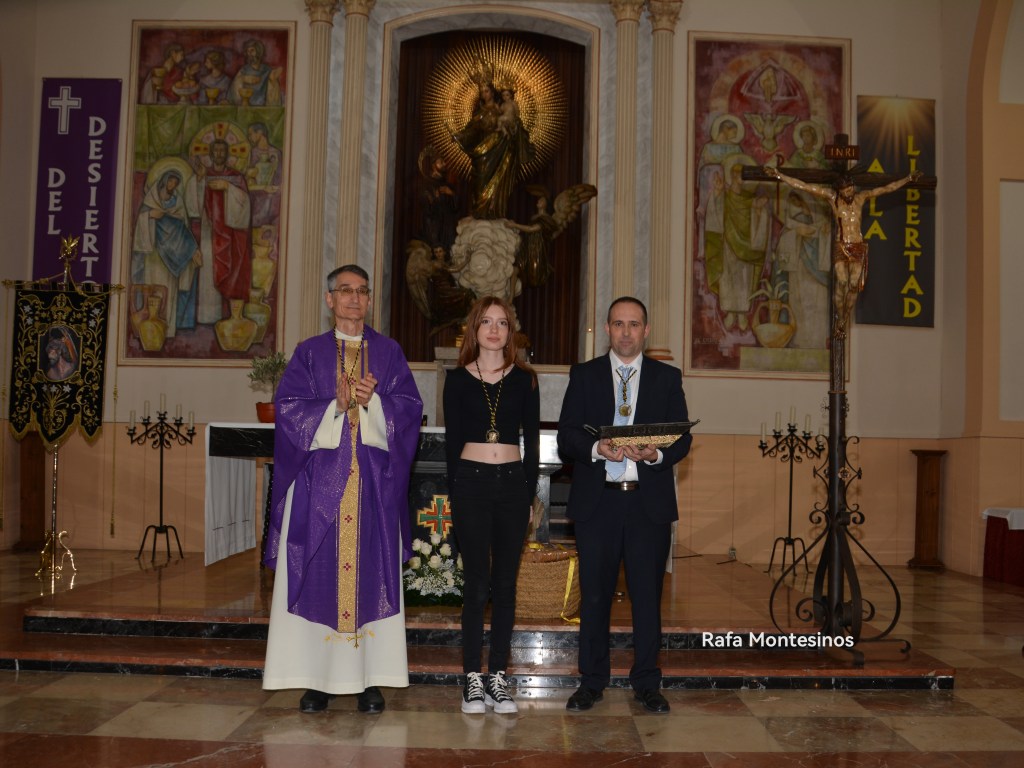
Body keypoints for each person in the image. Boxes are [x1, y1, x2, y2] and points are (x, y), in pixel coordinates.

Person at [262, 264, 423, 714]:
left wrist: (376, 404)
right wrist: (333, 405)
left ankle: (369, 679)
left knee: (371, 575)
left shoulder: (388, 352)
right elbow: (288, 409)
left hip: (373, 487)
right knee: (317, 573)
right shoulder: (309, 353)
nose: (355, 298)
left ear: (369, 299)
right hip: (318, 487)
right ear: (330, 299)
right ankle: (317, 681)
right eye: (346, 290)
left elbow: (410, 410)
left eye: (362, 291)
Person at [557, 297, 693, 714]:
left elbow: (683, 438)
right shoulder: (585, 375)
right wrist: (596, 448)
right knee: (594, 598)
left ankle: (647, 682)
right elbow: (567, 436)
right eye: (619, 324)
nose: (627, 332)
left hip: (646, 506)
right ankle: (591, 681)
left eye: (634, 324)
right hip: (598, 504)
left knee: (648, 599)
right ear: (607, 329)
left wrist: (655, 454)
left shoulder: (667, 378)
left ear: (646, 330)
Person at [442, 296, 539, 715]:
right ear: (474, 329)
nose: (494, 329)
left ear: (510, 331)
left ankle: (498, 676)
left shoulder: (526, 380)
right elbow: (452, 445)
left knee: (505, 585)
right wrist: (456, 495)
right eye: (486, 322)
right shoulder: (457, 379)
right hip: (472, 485)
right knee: (477, 585)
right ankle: (471, 680)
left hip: (512, 487)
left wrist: (529, 495)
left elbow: (531, 444)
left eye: (502, 322)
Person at [764, 165, 922, 323]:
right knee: (841, 281)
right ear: (839, 190)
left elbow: (886, 189)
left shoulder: (860, 198)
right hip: (841, 245)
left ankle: (845, 316)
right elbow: (804, 186)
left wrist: (908, 179)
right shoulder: (833, 199)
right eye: (845, 190)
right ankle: (840, 315)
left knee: (853, 284)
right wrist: (779, 175)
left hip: (857, 246)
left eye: (850, 188)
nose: (849, 192)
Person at [131, 168, 202, 338]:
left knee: (168, 292)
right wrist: (150, 215)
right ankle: (148, 330)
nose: (172, 184)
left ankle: (166, 329)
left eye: (175, 182)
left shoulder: (178, 203)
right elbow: (141, 221)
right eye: (170, 180)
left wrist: (192, 248)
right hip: (154, 255)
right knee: (151, 289)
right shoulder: (152, 200)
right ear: (164, 180)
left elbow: (182, 228)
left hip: (173, 255)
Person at [187, 138, 252, 324]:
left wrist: (228, 187)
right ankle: (209, 317)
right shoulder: (205, 173)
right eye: (215, 151)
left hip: (230, 234)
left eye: (222, 151)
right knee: (208, 271)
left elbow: (245, 203)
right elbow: (193, 205)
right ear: (210, 154)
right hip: (209, 231)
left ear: (227, 153)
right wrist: (200, 179)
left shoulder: (235, 176)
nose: (219, 154)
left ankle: (228, 316)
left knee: (231, 270)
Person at [452, 79, 534, 219]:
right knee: (480, 180)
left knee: (498, 181)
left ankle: (493, 211)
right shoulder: (480, 112)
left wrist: (513, 129)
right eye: (482, 92)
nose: (485, 94)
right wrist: (460, 136)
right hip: (483, 151)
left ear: (492, 91)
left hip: (500, 148)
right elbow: (471, 130)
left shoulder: (500, 109)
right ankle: (480, 212)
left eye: (487, 91)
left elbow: (513, 123)